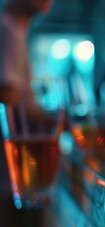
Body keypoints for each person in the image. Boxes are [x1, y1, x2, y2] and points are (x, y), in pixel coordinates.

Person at [0, 0, 53, 196]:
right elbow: (9, 98)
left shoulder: (14, 31)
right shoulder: (9, 31)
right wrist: (54, 120)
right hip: (9, 170)